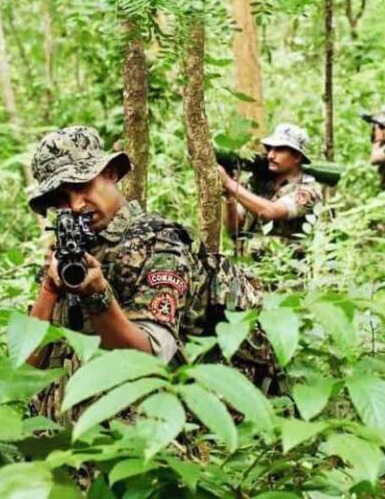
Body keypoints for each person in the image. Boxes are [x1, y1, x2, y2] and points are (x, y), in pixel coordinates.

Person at [26, 126, 263, 423]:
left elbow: (148, 359)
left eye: (82, 185)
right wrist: (49, 287)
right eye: (61, 198)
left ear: (111, 173)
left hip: (162, 423)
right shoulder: (68, 250)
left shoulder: (160, 243)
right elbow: (26, 369)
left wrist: (97, 296)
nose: (75, 205)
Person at [218, 123, 322, 258]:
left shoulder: (308, 190)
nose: (271, 156)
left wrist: (229, 183)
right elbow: (234, 229)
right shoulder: (259, 183)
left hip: (282, 271)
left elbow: (270, 211)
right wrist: (230, 195)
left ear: (297, 156)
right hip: (248, 266)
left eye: (279, 150)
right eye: (270, 149)